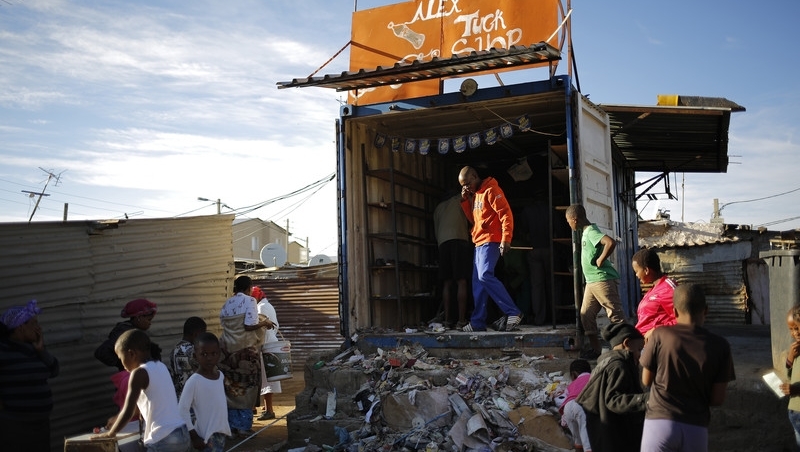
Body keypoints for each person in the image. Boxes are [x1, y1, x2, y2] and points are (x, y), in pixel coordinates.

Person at [640, 283, 735, 452]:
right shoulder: (720, 346)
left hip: (659, 422)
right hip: (695, 425)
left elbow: (646, 380)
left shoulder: (660, 335)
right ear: (706, 310)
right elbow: (717, 399)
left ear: (674, 311)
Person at [93, 329, 190, 451]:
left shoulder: (139, 373)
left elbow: (128, 411)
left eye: (121, 358)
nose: (122, 365)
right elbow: (138, 409)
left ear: (131, 354)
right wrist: (117, 419)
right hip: (181, 433)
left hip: (163, 438)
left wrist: (110, 434)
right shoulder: (160, 366)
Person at [458, 166, 522, 332]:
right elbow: (475, 220)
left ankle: (512, 311)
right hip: (479, 242)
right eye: (462, 185)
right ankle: (478, 322)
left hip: (491, 240)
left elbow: (506, 213)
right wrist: (466, 201)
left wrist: (506, 238)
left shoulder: (491, 190)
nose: (466, 187)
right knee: (478, 282)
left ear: (474, 176)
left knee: (485, 275)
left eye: (467, 183)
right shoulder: (476, 195)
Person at [565, 204, 626, 359]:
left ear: (574, 219)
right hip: (592, 281)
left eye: (568, 221)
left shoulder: (591, 232)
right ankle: (596, 350)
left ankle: (625, 351)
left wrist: (600, 260)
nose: (569, 224)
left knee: (615, 316)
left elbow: (610, 242)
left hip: (602, 279)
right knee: (586, 315)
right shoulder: (585, 233)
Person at [576, 322, 648, 452]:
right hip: (614, 438)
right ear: (627, 344)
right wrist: (644, 400)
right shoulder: (618, 366)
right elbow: (613, 400)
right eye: (639, 349)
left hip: (605, 437)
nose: (640, 354)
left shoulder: (607, 363)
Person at [0, 299, 60, 452]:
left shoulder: (34, 349)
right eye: (33, 324)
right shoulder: (3, 351)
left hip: (40, 423)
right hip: (15, 426)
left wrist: (42, 351)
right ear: (20, 327)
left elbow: (54, 370)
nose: (38, 328)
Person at [218, 276, 274, 437]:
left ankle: (232, 427)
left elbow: (225, 323)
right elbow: (249, 325)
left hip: (227, 352)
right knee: (248, 388)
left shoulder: (227, 302)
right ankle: (243, 426)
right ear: (249, 288)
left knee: (231, 388)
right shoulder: (250, 301)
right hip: (245, 352)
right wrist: (265, 323)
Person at [94, 298, 159, 409]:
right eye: (149, 319)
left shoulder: (136, 332)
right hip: (130, 383)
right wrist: (123, 364)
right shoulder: (125, 333)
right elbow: (101, 352)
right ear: (139, 317)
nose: (150, 323)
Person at [178, 332, 231, 452]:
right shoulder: (194, 381)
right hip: (205, 438)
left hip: (221, 434)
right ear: (196, 356)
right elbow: (182, 410)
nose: (209, 358)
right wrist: (194, 436)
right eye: (204, 354)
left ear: (219, 354)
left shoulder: (220, 376)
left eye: (214, 354)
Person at [433, 192, 472, 329]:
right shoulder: (460, 199)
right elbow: (473, 218)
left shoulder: (438, 208)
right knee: (461, 281)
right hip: (459, 241)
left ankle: (447, 321)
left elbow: (436, 231)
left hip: (443, 244)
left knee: (447, 283)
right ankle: (461, 321)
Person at [632, 248, 677, 343]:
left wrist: (656, 330)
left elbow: (683, 320)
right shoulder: (653, 290)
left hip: (657, 344)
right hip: (642, 342)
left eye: (636, 271)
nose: (636, 275)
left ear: (646, 270)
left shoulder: (668, 289)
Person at [521, 202, 552, 326]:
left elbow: (522, 230)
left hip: (533, 249)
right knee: (553, 283)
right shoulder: (550, 208)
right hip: (549, 247)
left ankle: (539, 318)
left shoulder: (527, 210)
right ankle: (555, 315)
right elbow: (559, 228)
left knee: (536, 286)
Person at [253, 285, 280, 421]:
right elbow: (276, 326)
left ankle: (269, 410)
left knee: (266, 378)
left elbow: (261, 327)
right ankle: (266, 407)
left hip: (266, 344)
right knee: (267, 377)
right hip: (271, 342)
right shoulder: (267, 305)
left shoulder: (260, 307)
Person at [559, 359, 592, 452]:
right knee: (587, 440)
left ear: (573, 374)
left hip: (568, 407)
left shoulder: (571, 385)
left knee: (578, 440)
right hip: (581, 406)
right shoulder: (593, 378)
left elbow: (563, 399)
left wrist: (563, 418)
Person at [171, 316, 207, 399]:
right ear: (196, 334)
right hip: (193, 399)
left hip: (179, 397)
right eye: (203, 334)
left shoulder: (175, 349)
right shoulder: (193, 351)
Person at [781, 305, 800, 448]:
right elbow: (790, 375)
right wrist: (790, 358)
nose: (795, 333)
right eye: (791, 329)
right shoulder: (796, 349)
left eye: (798, 328)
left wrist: (795, 389)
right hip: (794, 410)